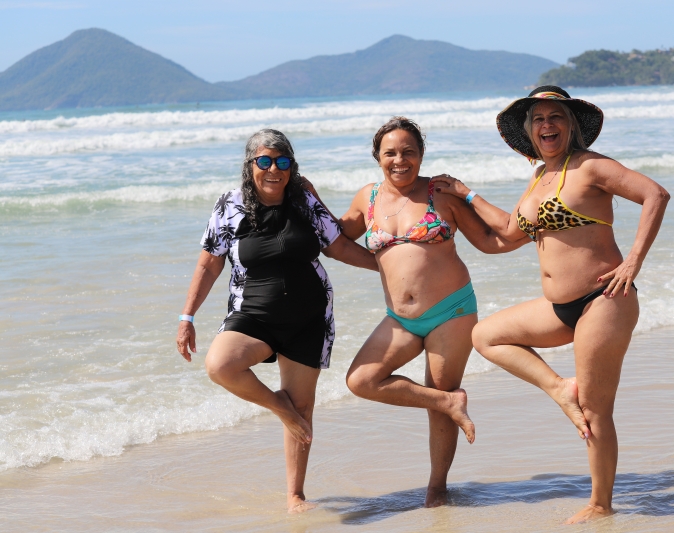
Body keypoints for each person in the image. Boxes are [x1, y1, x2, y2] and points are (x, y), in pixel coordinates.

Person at [433, 86, 670, 523]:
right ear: (529, 130)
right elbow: (506, 233)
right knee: (486, 335)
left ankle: (600, 504)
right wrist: (463, 197)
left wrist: (633, 261)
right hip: (560, 307)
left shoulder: (590, 166)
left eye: (555, 116)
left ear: (571, 124)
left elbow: (655, 194)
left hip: (604, 300)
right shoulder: (541, 176)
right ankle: (560, 388)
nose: (547, 124)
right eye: (538, 119)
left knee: (595, 410)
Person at [175, 129, 377, 513]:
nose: (273, 170)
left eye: (282, 162)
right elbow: (209, 263)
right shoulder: (230, 205)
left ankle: (295, 496)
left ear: (292, 166)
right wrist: (187, 317)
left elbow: (338, 246)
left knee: (304, 406)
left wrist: (389, 268)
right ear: (250, 165)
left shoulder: (304, 200)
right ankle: (279, 406)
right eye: (264, 161)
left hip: (309, 317)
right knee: (221, 365)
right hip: (253, 314)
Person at [327, 116, 523, 507]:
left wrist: (534, 231)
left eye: (409, 152)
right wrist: (307, 199)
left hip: (452, 311)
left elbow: (489, 241)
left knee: (440, 393)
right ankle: (448, 402)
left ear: (421, 155)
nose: (400, 160)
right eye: (390, 153)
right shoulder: (367, 198)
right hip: (399, 318)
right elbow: (335, 239)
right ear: (377, 157)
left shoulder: (441, 194)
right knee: (361, 379)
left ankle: (437, 489)